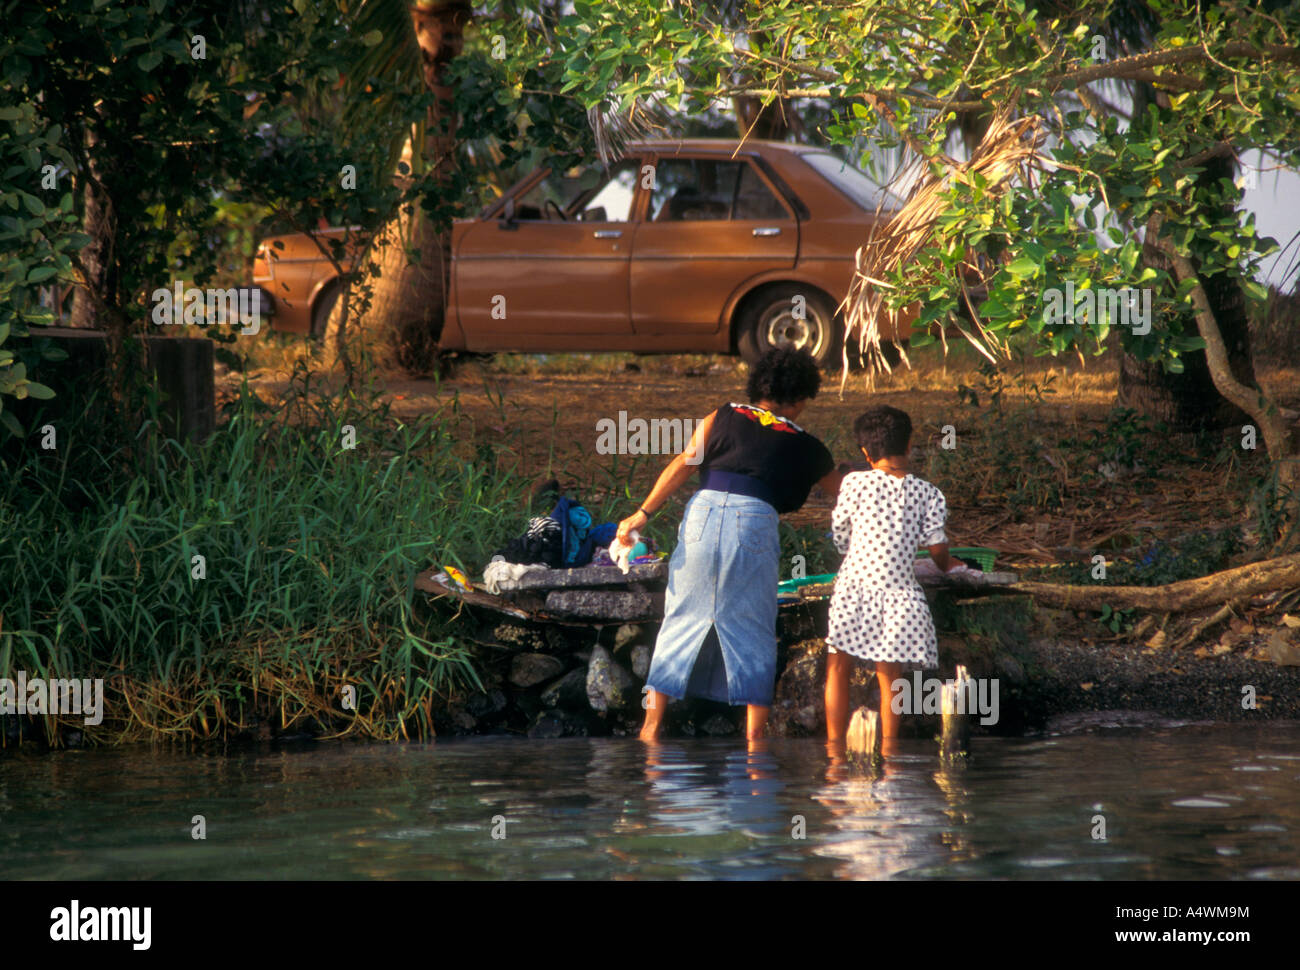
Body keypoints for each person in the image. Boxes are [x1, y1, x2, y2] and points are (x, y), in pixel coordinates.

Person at [618, 348, 841, 741]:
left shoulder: (722, 416)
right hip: (754, 522)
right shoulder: (808, 447)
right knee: (753, 626)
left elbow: (684, 464)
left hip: (701, 515)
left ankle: (650, 731)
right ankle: (755, 747)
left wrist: (642, 514)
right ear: (801, 396)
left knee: (679, 619)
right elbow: (846, 495)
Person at [824, 404, 956, 744]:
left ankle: (835, 754)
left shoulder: (852, 483)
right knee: (891, 680)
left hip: (854, 589)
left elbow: (840, 535)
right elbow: (938, 550)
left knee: (838, 668)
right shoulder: (929, 493)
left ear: (866, 452)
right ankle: (890, 756)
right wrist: (954, 566)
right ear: (909, 446)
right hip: (902, 596)